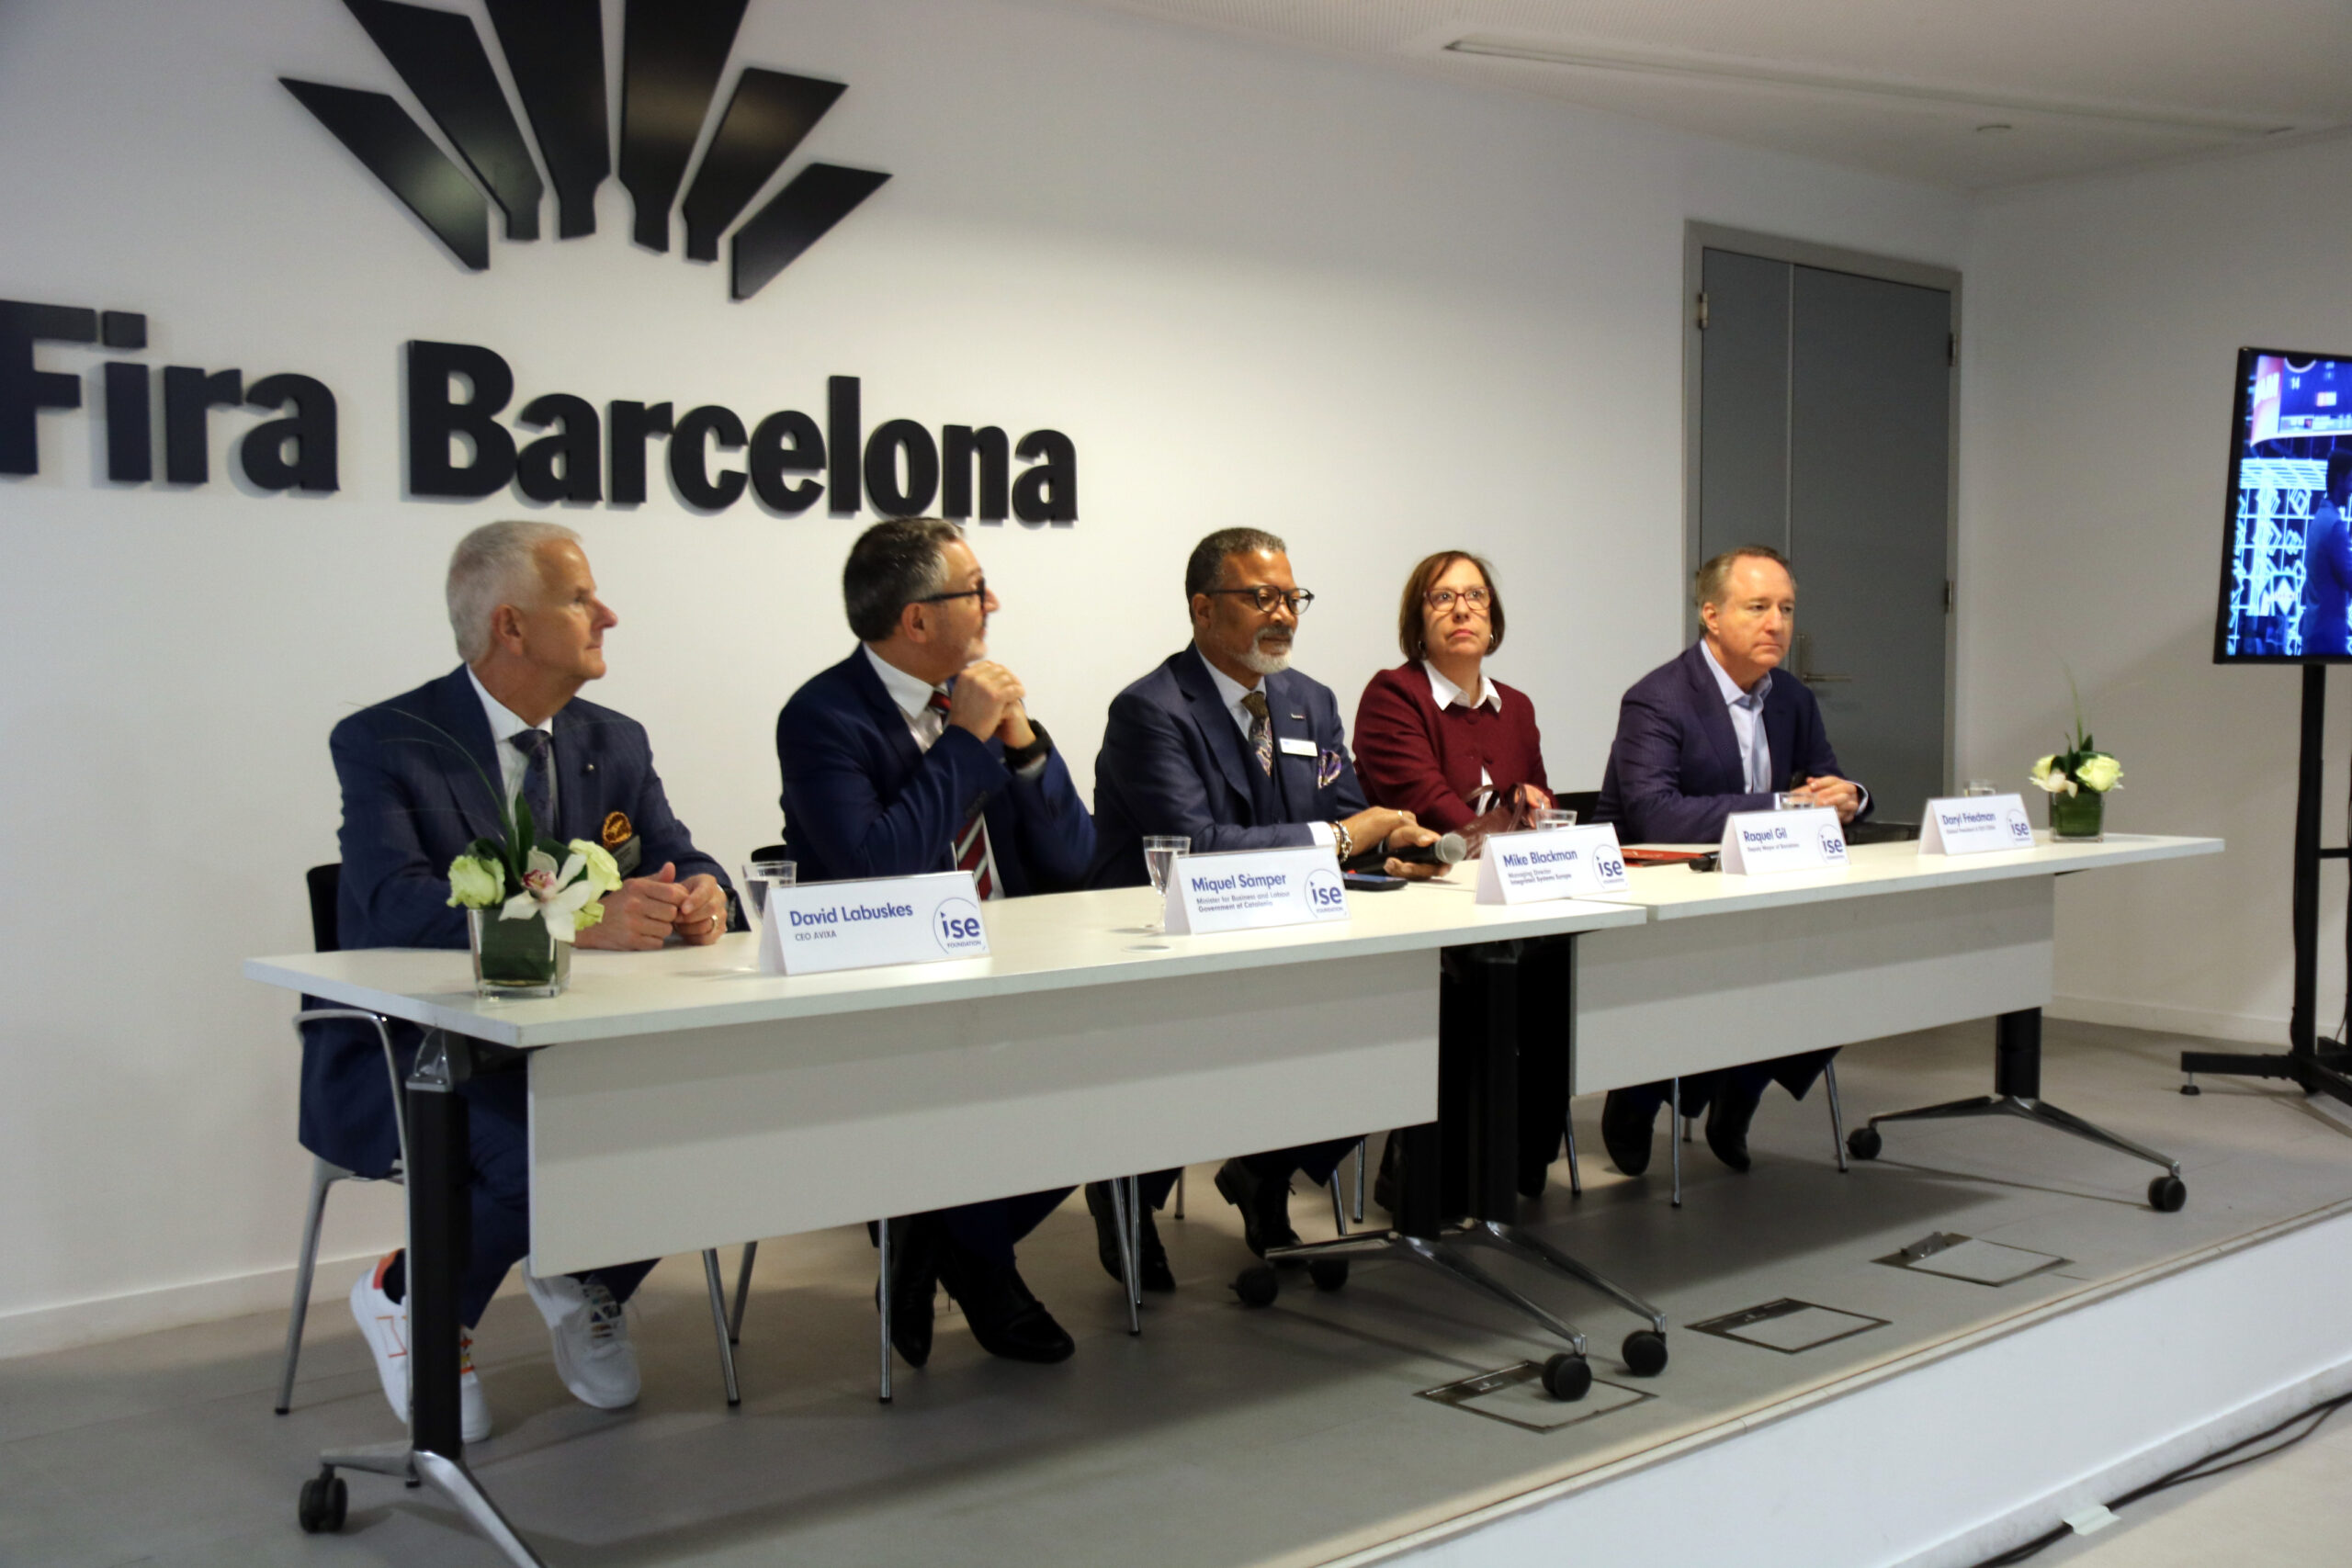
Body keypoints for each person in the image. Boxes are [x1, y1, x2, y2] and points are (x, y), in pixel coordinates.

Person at [306, 520, 736, 1441]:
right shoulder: (385, 740)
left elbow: (677, 853)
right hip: (425, 1045)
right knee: (547, 1150)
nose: (607, 615)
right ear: (510, 626)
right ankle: (413, 1297)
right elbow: (392, 903)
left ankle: (584, 1275)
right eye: (580, 599)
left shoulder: (613, 739)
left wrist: (703, 895)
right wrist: (578, 921)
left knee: (708, 1116)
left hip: (572, 1037)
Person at [1088, 527, 1446, 1280]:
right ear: (1203, 608)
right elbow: (1196, 847)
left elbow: (1347, 816)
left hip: (1289, 933)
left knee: (1398, 1016)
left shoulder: (1308, 700)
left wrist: (1393, 842)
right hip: (1169, 949)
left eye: (1292, 597)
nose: (1282, 613)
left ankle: (1265, 1167)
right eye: (1261, 597)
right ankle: (1125, 1190)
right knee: (1197, 1051)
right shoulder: (1151, 710)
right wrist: (1344, 837)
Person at [776, 518, 1093, 1366]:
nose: (995, 604)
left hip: (1008, 969)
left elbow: (1075, 859)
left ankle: (934, 1237)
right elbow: (876, 866)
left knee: (1114, 1074)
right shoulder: (822, 716)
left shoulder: (982, 701)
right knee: (972, 1079)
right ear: (917, 619)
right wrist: (964, 742)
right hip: (884, 985)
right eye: (975, 590)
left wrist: (1022, 745)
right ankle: (983, 1266)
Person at [1593, 544, 1869, 1177]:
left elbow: (1823, 783)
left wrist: (1850, 796)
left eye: (1786, 609)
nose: (1776, 623)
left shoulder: (1791, 698)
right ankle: (1637, 1094)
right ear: (1711, 615)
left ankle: (1740, 1091)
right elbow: (1656, 816)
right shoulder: (1658, 698)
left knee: (1847, 961)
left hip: (1758, 887)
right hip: (1658, 897)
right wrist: (1783, 806)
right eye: (1758, 607)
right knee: (1715, 971)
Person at [1353, 550, 1570, 1197]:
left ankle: (1522, 1153)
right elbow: (1432, 810)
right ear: (1417, 621)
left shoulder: (1517, 706)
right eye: (1442, 598)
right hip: (1421, 906)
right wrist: (1514, 820)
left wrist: (1527, 814)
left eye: (1475, 597)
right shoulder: (1394, 695)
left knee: (1563, 971)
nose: (1462, 610)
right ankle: (1425, 1172)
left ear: (1493, 618)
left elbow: (1542, 805)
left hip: (1504, 902)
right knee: (1483, 982)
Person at [2300, 452, 2352, 658]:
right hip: (2327, 637)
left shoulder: (2321, 518)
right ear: (2340, 478)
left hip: (2315, 631)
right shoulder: (2334, 526)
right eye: (2351, 480)